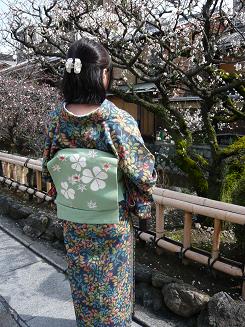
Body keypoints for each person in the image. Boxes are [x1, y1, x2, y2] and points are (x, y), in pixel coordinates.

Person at [42, 38, 157, 327]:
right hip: (110, 220)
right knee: (112, 286)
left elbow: (48, 166)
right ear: (102, 75)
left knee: (83, 282)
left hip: (74, 218)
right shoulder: (116, 120)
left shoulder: (57, 118)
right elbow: (143, 174)